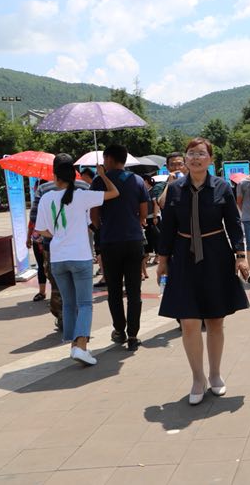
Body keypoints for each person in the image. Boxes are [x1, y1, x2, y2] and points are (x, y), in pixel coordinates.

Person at [157, 138, 250, 405]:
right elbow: (167, 227)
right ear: (185, 159)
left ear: (211, 159)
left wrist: (241, 256)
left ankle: (215, 374)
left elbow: (233, 223)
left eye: (201, 154)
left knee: (215, 320)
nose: (195, 158)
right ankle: (198, 378)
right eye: (191, 154)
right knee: (188, 321)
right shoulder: (175, 189)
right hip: (183, 257)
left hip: (216, 255)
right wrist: (162, 260)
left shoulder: (222, 187)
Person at [35, 156, 120, 365]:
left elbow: (41, 230)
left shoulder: (46, 198)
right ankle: (81, 346)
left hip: (58, 258)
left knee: (68, 303)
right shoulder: (82, 195)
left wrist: (57, 236)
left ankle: (74, 345)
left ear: (55, 176)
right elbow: (114, 193)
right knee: (84, 304)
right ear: (74, 176)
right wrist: (103, 175)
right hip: (80, 257)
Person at [90, 144, 150, 351]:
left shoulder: (99, 181)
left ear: (108, 159)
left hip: (110, 242)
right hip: (133, 240)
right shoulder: (137, 180)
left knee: (114, 290)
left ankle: (119, 330)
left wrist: (103, 228)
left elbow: (94, 215)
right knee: (134, 290)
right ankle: (133, 335)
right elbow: (144, 213)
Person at [27, 168, 90, 330]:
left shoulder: (43, 190)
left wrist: (55, 235)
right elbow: (94, 216)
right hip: (80, 249)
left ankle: (64, 319)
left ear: (55, 174)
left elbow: (34, 219)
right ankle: (79, 323)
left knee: (58, 287)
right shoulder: (84, 187)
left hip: (53, 250)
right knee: (81, 289)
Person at [140, 174, 160, 278]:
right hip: (146, 218)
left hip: (153, 217)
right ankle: (147, 255)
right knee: (148, 238)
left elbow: (156, 204)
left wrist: (155, 216)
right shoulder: (144, 191)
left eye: (143, 181)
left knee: (155, 237)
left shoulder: (153, 191)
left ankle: (157, 255)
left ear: (147, 181)